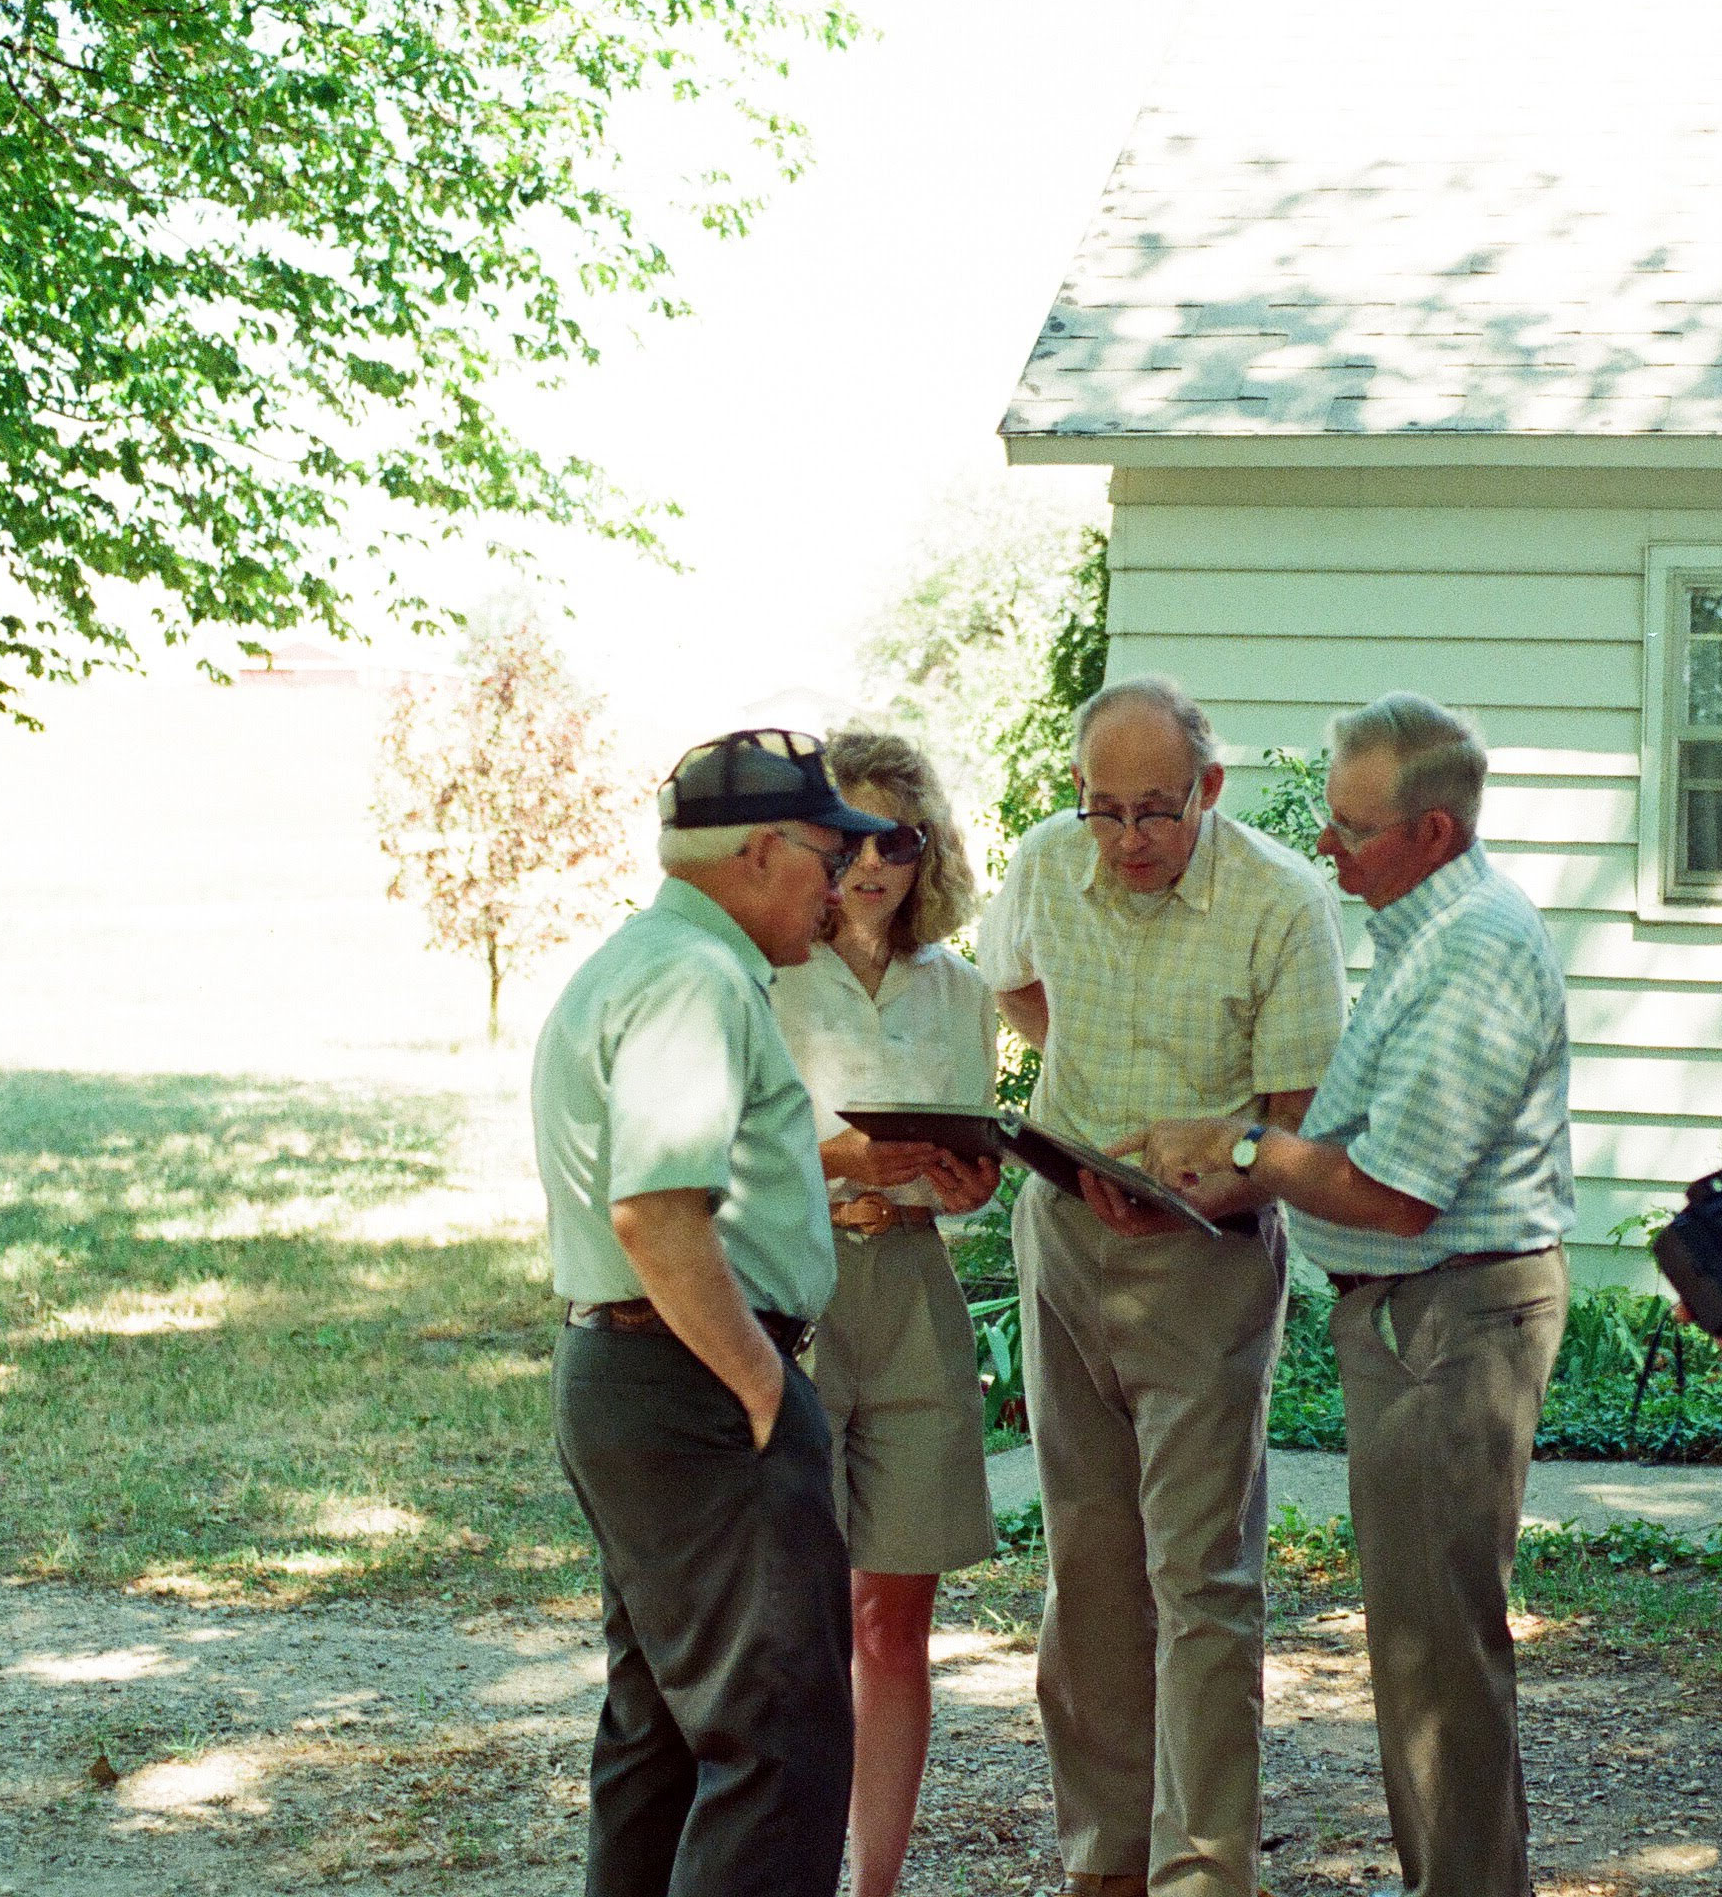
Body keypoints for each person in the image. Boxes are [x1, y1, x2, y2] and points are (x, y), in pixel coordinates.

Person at [1114, 692, 1573, 1897]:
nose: (1325, 844)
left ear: (1431, 830)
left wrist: (1245, 1150)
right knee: (1421, 1644)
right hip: (1418, 1317)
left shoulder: (1474, 948)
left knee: (1436, 1656)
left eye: (1351, 827)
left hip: (1453, 1317)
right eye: (1326, 817)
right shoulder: (1423, 933)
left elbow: (1398, 1190)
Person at [976, 672, 1348, 1897]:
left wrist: (1198, 1170)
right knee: (1083, 1558)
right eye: (1103, 809)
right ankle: (1105, 1862)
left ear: (1210, 789)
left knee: (1198, 1574)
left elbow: (1292, 1124)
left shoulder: (1281, 905)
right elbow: (1021, 992)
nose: (1128, 839)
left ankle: (1201, 1868)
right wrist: (1087, 1148)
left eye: (1156, 811)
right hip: (1064, 1237)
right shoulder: (1043, 864)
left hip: (1206, 1255)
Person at [531, 726, 891, 1897]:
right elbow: (659, 1214)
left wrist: (865, 1167)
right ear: (763, 851)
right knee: (775, 1739)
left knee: (665, 1730)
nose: (840, 884)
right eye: (828, 857)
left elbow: (708, 1185)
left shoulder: (647, 960)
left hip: (635, 1376)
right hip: (693, 1384)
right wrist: (758, 1385)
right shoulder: (692, 982)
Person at [766, 728, 1004, 1897]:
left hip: (911, 1287)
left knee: (890, 1616)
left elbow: (961, 1160)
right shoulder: (761, 973)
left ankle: (877, 1883)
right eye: (850, 836)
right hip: (794, 1287)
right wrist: (845, 1159)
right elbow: (727, 1157)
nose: (871, 864)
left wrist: (968, 1181)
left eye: (898, 840)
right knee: (792, 1615)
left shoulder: (959, 992)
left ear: (928, 854)